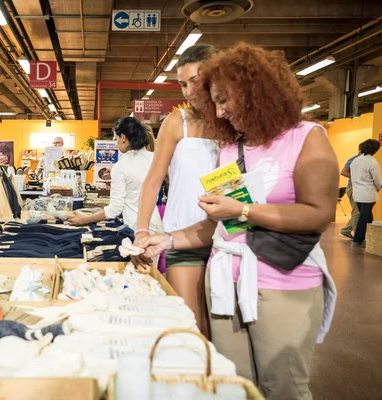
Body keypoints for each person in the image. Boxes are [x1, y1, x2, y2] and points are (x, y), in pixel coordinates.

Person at [137, 43, 338, 399]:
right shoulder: (231, 150)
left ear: (254, 91)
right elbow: (223, 224)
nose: (218, 111)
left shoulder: (306, 137)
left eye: (224, 100)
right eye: (214, 102)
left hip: (282, 282)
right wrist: (165, 240)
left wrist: (242, 211)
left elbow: (318, 213)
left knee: (283, 387)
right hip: (225, 284)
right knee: (233, 385)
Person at [134, 44, 219, 336]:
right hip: (182, 237)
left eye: (195, 80)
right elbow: (153, 180)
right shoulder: (176, 122)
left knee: (222, 331)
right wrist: (141, 231)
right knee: (191, 327)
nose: (188, 91)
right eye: (183, 84)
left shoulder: (235, 122)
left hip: (229, 239)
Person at [67, 117, 163, 237]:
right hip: (156, 227)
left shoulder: (121, 166)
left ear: (123, 138)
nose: (116, 143)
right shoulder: (155, 158)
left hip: (136, 230)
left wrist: (85, 219)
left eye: (115, 138)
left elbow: (115, 209)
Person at [350, 139, 381, 247]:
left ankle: (371, 236)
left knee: (367, 216)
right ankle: (358, 239)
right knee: (363, 218)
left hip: (357, 194)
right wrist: (378, 187)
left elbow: (352, 176)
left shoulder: (355, 161)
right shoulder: (372, 162)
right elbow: (378, 180)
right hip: (368, 194)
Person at [339, 142, 364, 239]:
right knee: (357, 212)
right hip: (353, 187)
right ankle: (358, 237)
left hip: (360, 188)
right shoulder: (354, 159)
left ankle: (345, 231)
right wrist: (357, 177)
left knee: (358, 212)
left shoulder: (367, 160)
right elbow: (343, 172)